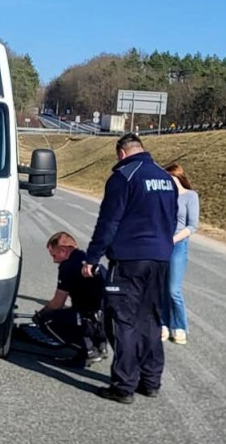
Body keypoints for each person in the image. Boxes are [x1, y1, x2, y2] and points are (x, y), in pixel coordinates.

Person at [82, 133, 177, 404]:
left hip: (129, 260)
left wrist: (92, 258)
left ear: (121, 153)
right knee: (150, 319)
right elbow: (171, 220)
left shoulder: (123, 176)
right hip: (159, 259)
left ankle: (123, 385)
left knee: (122, 322)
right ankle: (150, 381)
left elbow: (108, 222)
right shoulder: (165, 178)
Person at [34, 231, 108, 366]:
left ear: (63, 250)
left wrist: (41, 314)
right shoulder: (89, 260)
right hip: (107, 320)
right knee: (79, 311)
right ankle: (100, 346)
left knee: (46, 320)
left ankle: (88, 351)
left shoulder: (68, 266)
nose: (54, 260)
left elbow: (57, 303)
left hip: (90, 320)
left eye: (54, 255)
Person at [161, 163, 200, 345]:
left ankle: (180, 326)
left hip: (177, 245)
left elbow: (192, 226)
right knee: (160, 286)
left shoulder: (190, 196)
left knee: (173, 289)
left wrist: (174, 239)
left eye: (170, 178)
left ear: (177, 177)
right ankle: (163, 323)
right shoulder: (163, 197)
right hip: (160, 245)